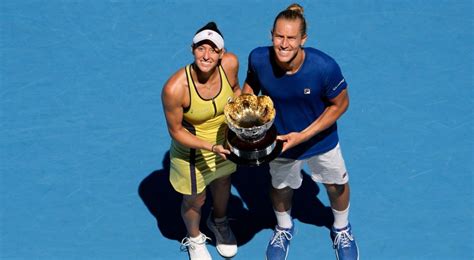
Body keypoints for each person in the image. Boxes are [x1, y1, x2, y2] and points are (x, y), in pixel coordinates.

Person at [242, 4, 359, 260]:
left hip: (320, 140)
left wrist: (303, 136)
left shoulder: (324, 67)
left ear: (303, 39)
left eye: (291, 38)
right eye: (279, 36)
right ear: (271, 34)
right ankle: (284, 228)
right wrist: (247, 110)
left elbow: (341, 104)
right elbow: (252, 83)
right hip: (280, 141)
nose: (283, 44)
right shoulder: (258, 58)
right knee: (280, 187)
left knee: (336, 185)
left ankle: (341, 228)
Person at [161, 21, 241, 260]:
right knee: (196, 198)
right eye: (200, 48)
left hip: (224, 142)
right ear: (192, 49)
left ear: (221, 54)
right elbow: (176, 131)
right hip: (192, 152)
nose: (206, 55)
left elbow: (236, 89)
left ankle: (219, 222)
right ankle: (195, 239)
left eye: (213, 49)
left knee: (223, 183)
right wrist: (210, 147)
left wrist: (242, 123)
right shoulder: (175, 88)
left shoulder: (230, 64)